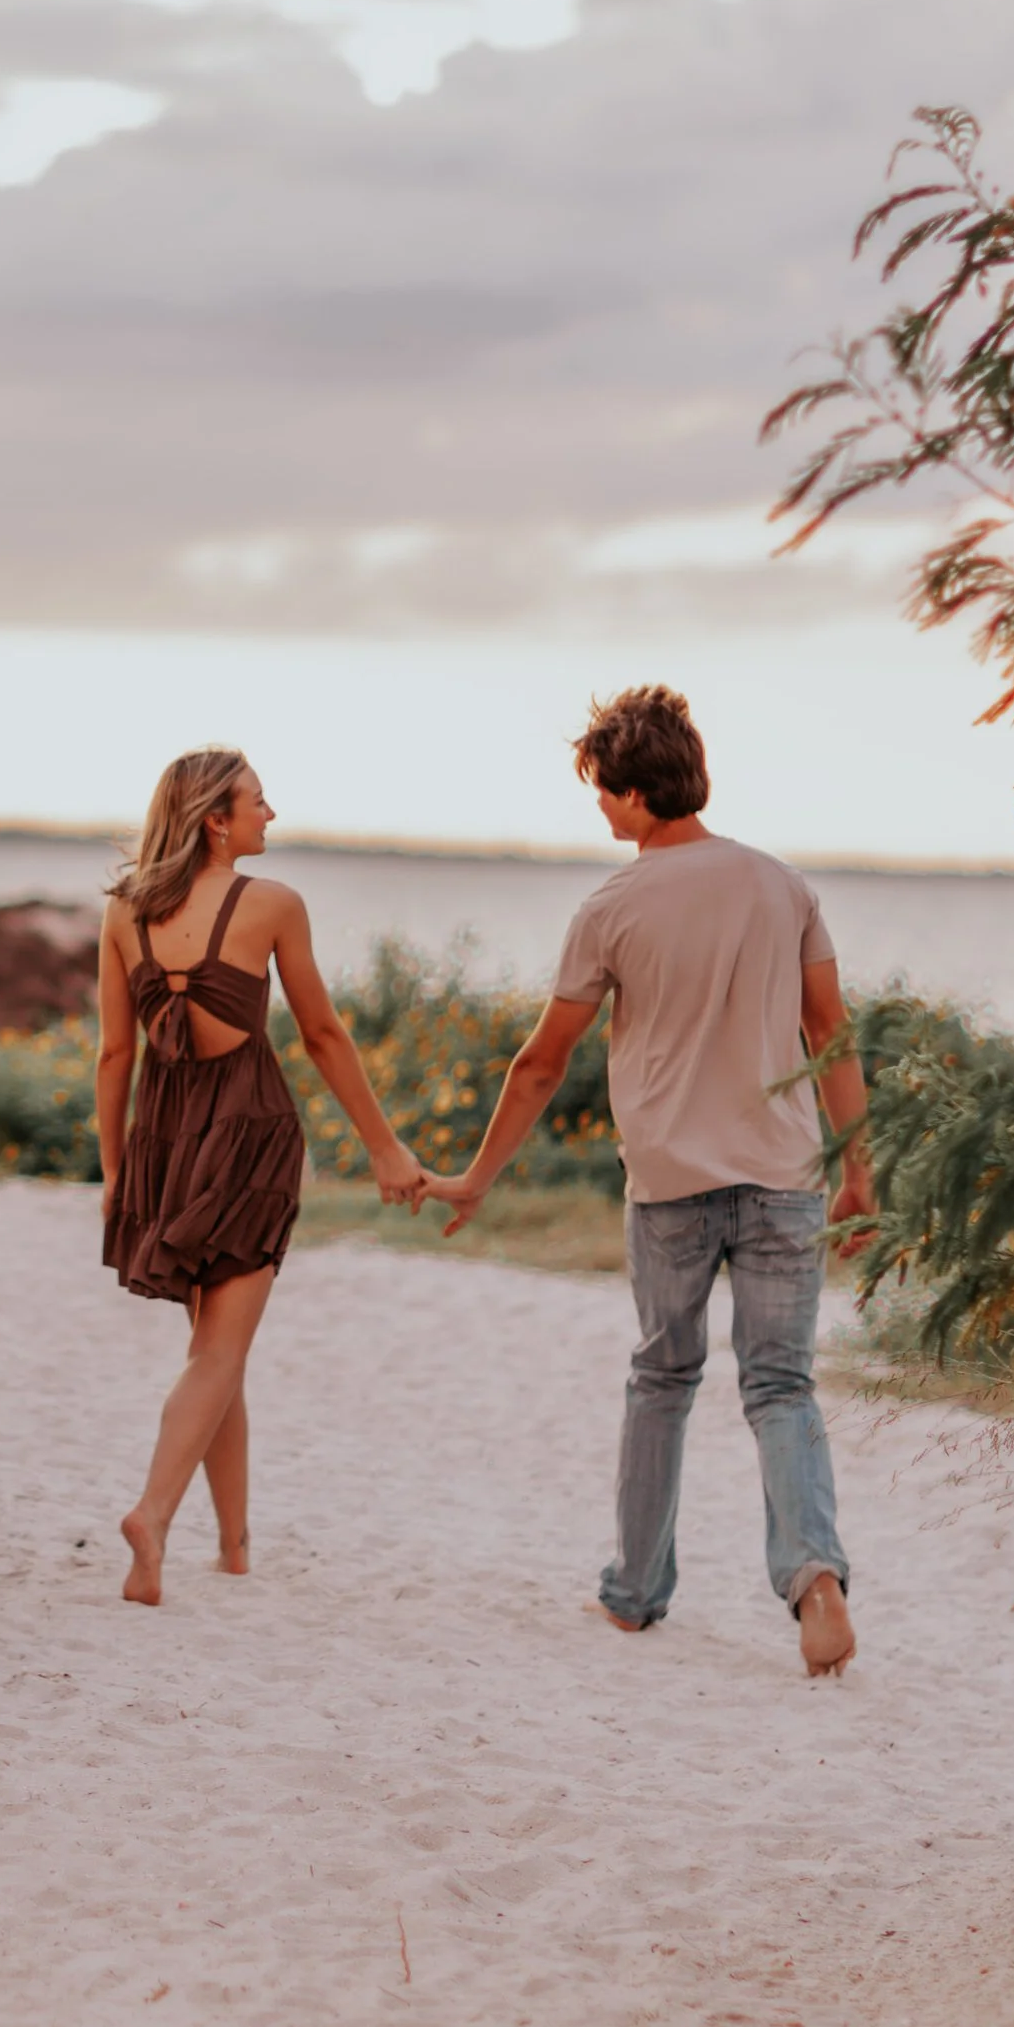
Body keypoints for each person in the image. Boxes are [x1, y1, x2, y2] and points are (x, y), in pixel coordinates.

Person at [420, 685, 871, 1678]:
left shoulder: (611, 907)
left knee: (661, 1379)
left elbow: (542, 1063)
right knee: (780, 1384)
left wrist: (474, 1176)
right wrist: (858, 1171)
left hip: (669, 1180)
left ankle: (633, 1594)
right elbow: (830, 1034)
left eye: (598, 791)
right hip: (786, 1172)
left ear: (632, 793)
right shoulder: (781, 885)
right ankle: (815, 1580)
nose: (597, 808)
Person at [99, 747, 426, 1606]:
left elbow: (113, 1053)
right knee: (219, 1351)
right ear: (216, 818)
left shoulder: (123, 912)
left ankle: (235, 1547)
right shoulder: (273, 904)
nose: (269, 813)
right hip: (249, 1135)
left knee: (216, 1350)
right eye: (257, 800)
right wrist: (386, 1147)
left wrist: (114, 1171)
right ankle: (154, 1516)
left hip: (164, 1139)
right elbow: (323, 1036)